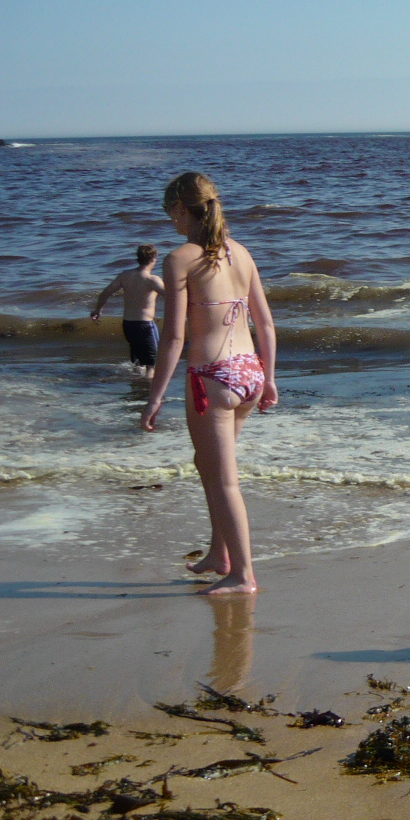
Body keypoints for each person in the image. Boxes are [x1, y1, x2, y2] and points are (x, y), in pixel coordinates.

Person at [139, 172, 278, 596]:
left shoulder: (180, 258)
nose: (172, 224)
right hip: (248, 372)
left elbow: (176, 337)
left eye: (172, 216)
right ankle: (221, 554)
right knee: (208, 464)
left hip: (213, 378)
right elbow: (266, 323)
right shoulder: (242, 253)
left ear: (182, 209)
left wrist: (154, 397)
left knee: (224, 480)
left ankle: (243, 575)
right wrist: (268, 379)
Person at [90, 244, 165, 377]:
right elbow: (172, 296)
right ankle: (148, 393)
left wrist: (98, 310)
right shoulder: (152, 280)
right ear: (153, 259)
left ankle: (137, 390)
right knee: (152, 365)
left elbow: (106, 292)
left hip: (128, 325)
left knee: (138, 362)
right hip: (145, 326)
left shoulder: (125, 276)